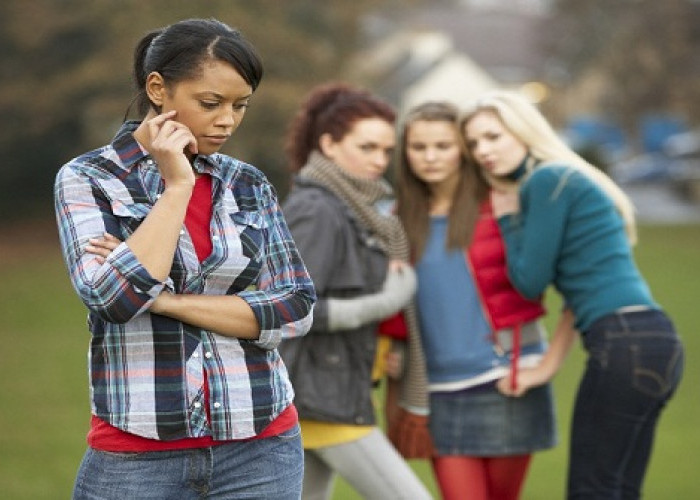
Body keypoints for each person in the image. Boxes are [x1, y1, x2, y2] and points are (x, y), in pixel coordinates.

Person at [54, 18, 316, 500]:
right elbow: (112, 298)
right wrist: (177, 188)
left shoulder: (248, 183)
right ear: (158, 89)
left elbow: (295, 306)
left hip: (262, 445)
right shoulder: (89, 178)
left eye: (240, 106)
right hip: (138, 452)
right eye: (211, 103)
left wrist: (164, 300)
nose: (228, 121)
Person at [461, 90, 685, 499]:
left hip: (623, 343)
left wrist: (507, 216)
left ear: (523, 130)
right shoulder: (567, 177)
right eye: (474, 143)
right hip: (655, 341)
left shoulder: (545, 181)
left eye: (493, 136)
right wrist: (548, 366)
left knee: (592, 490)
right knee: (617, 489)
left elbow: (530, 281)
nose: (482, 151)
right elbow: (573, 299)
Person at [394, 101, 565, 500]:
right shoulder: (397, 219)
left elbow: (567, 283)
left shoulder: (503, 204)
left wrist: (550, 362)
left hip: (508, 380)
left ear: (464, 150)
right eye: (419, 147)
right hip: (437, 390)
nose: (431, 157)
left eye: (443, 145)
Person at [277, 82, 433, 500]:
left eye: (385, 151)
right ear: (328, 144)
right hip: (318, 395)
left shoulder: (357, 209)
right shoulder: (318, 209)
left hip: (333, 388)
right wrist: (385, 302)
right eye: (367, 148)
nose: (379, 161)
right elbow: (291, 309)